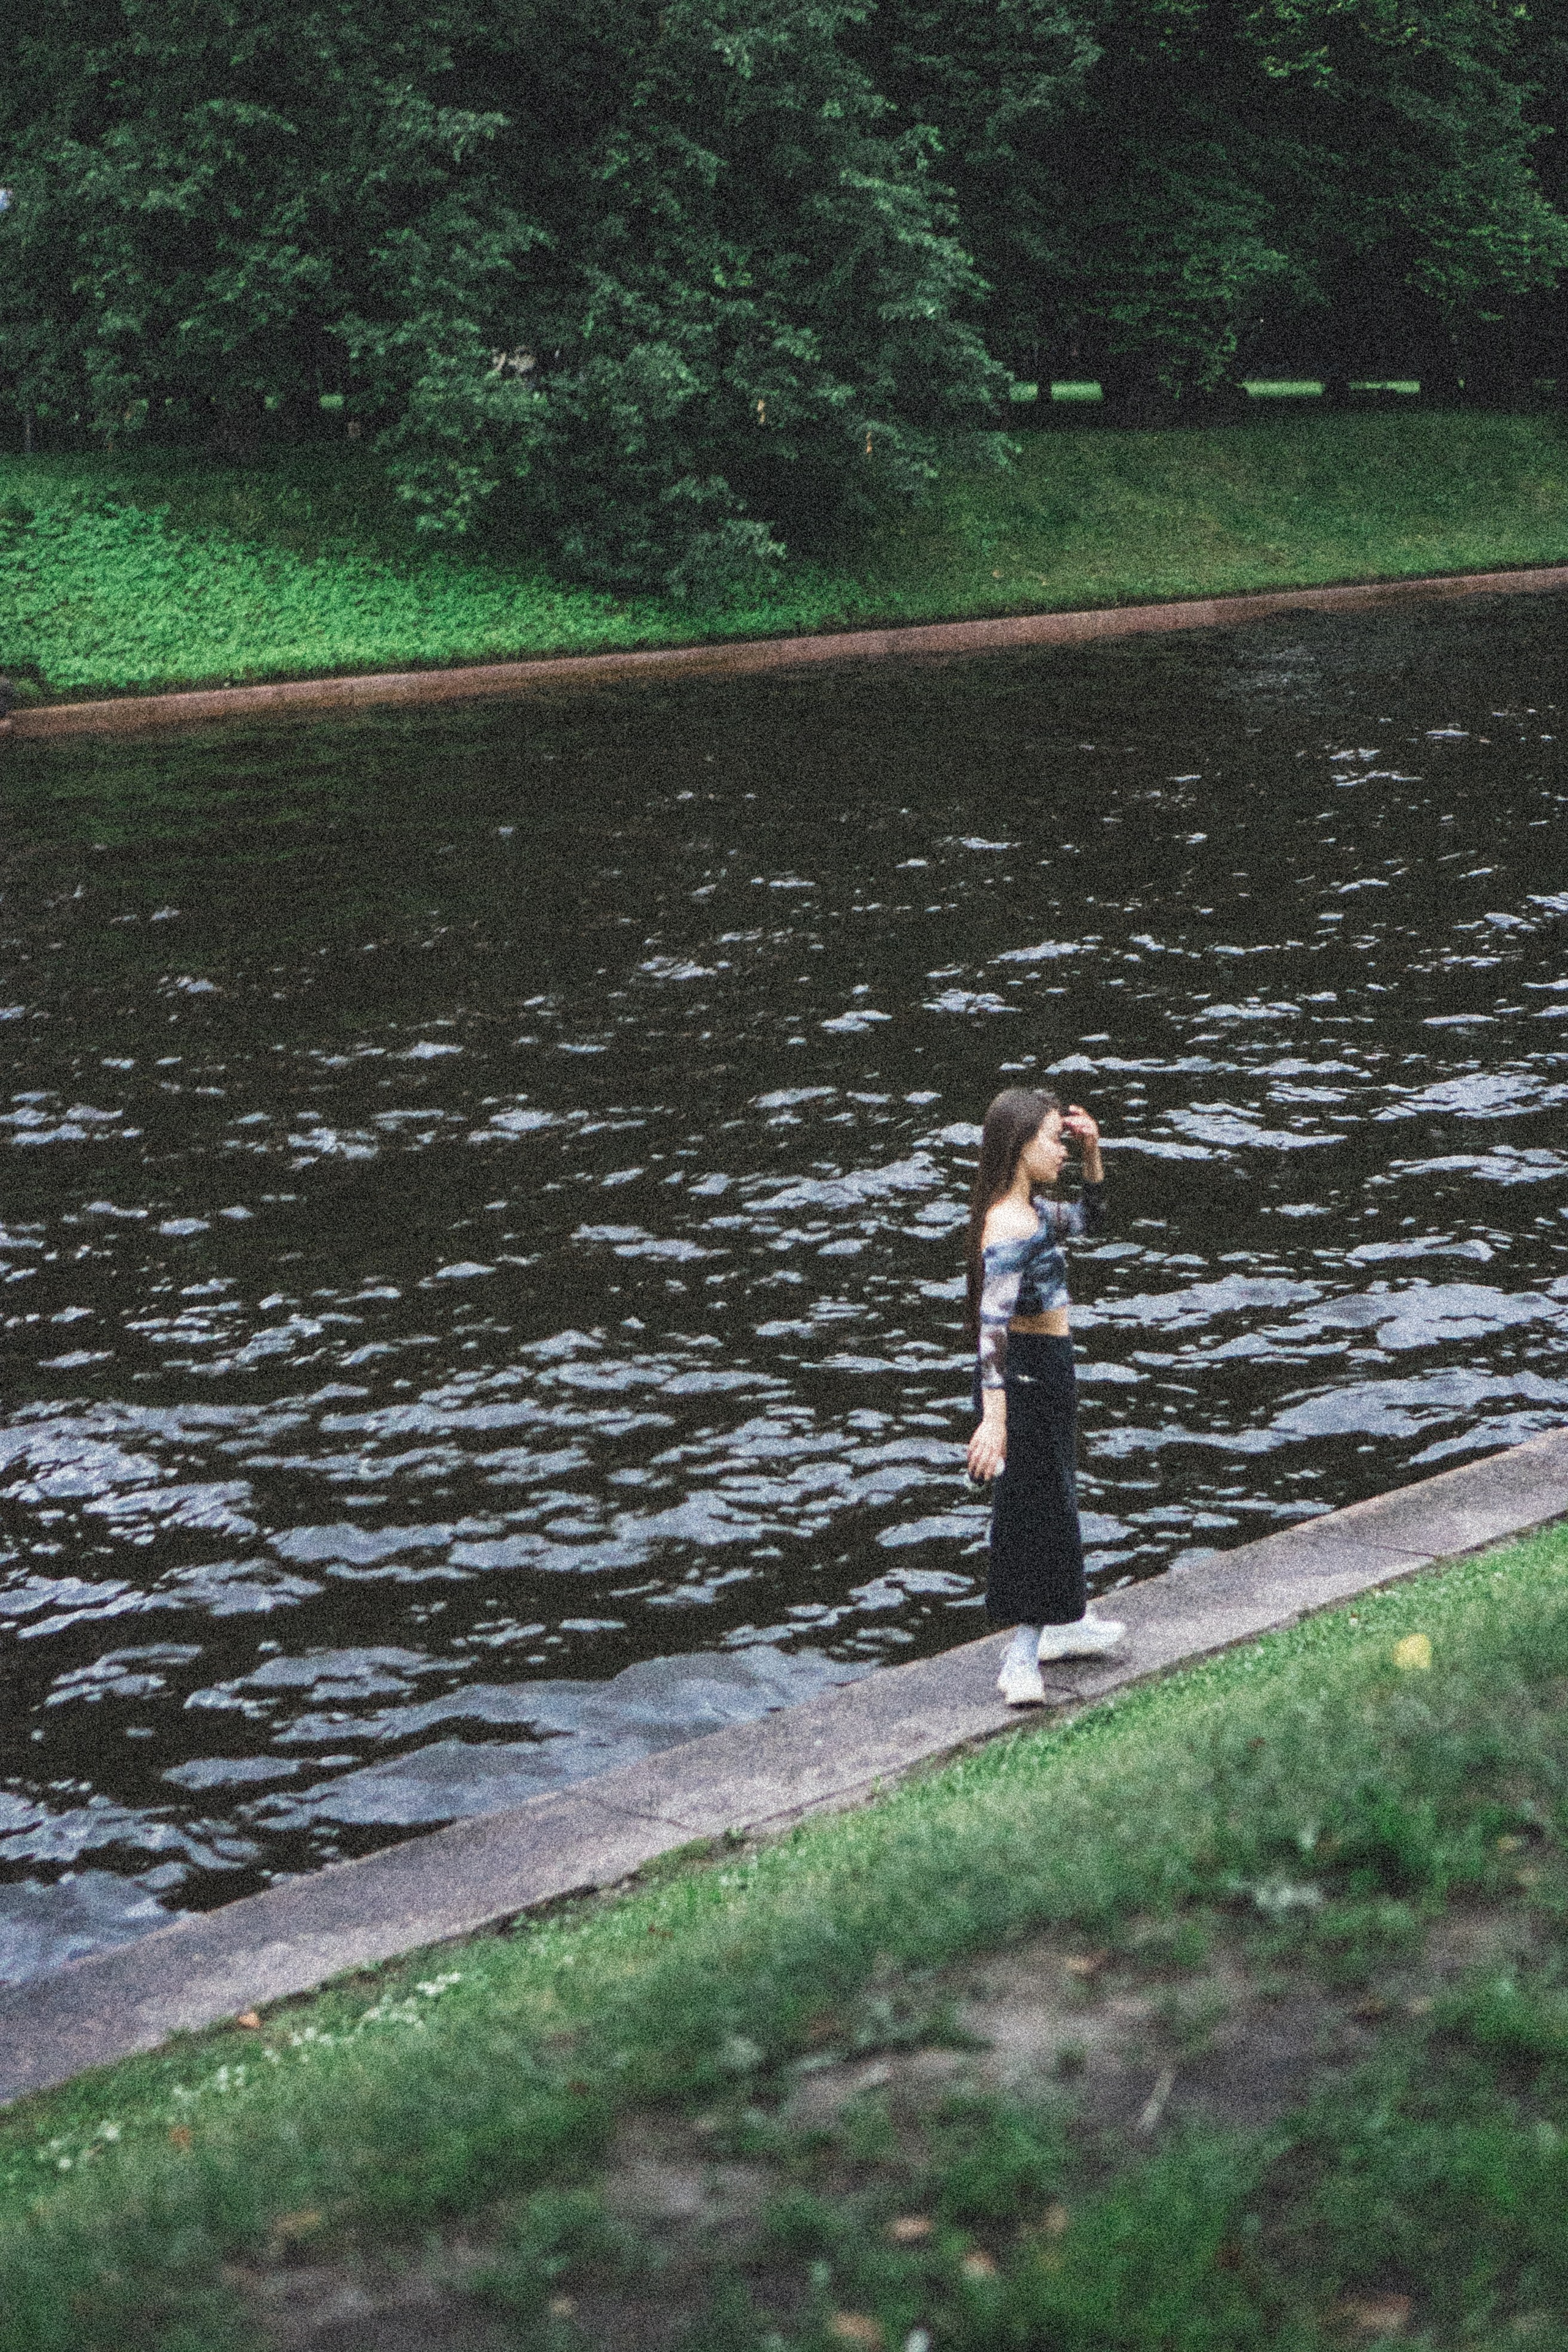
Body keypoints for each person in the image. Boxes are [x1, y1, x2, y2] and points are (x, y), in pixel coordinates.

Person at [965, 1086, 1125, 1705]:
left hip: (1050, 1368)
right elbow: (992, 1332)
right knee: (1034, 1508)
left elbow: (1091, 1220)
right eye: (1052, 1140)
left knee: (1058, 1489)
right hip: (1024, 1376)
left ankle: (1069, 1617)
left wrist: (1093, 1155)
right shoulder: (1006, 1224)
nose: (1059, 1149)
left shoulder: (1032, 1213)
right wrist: (994, 1422)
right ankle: (1023, 1655)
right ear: (1018, 1146)